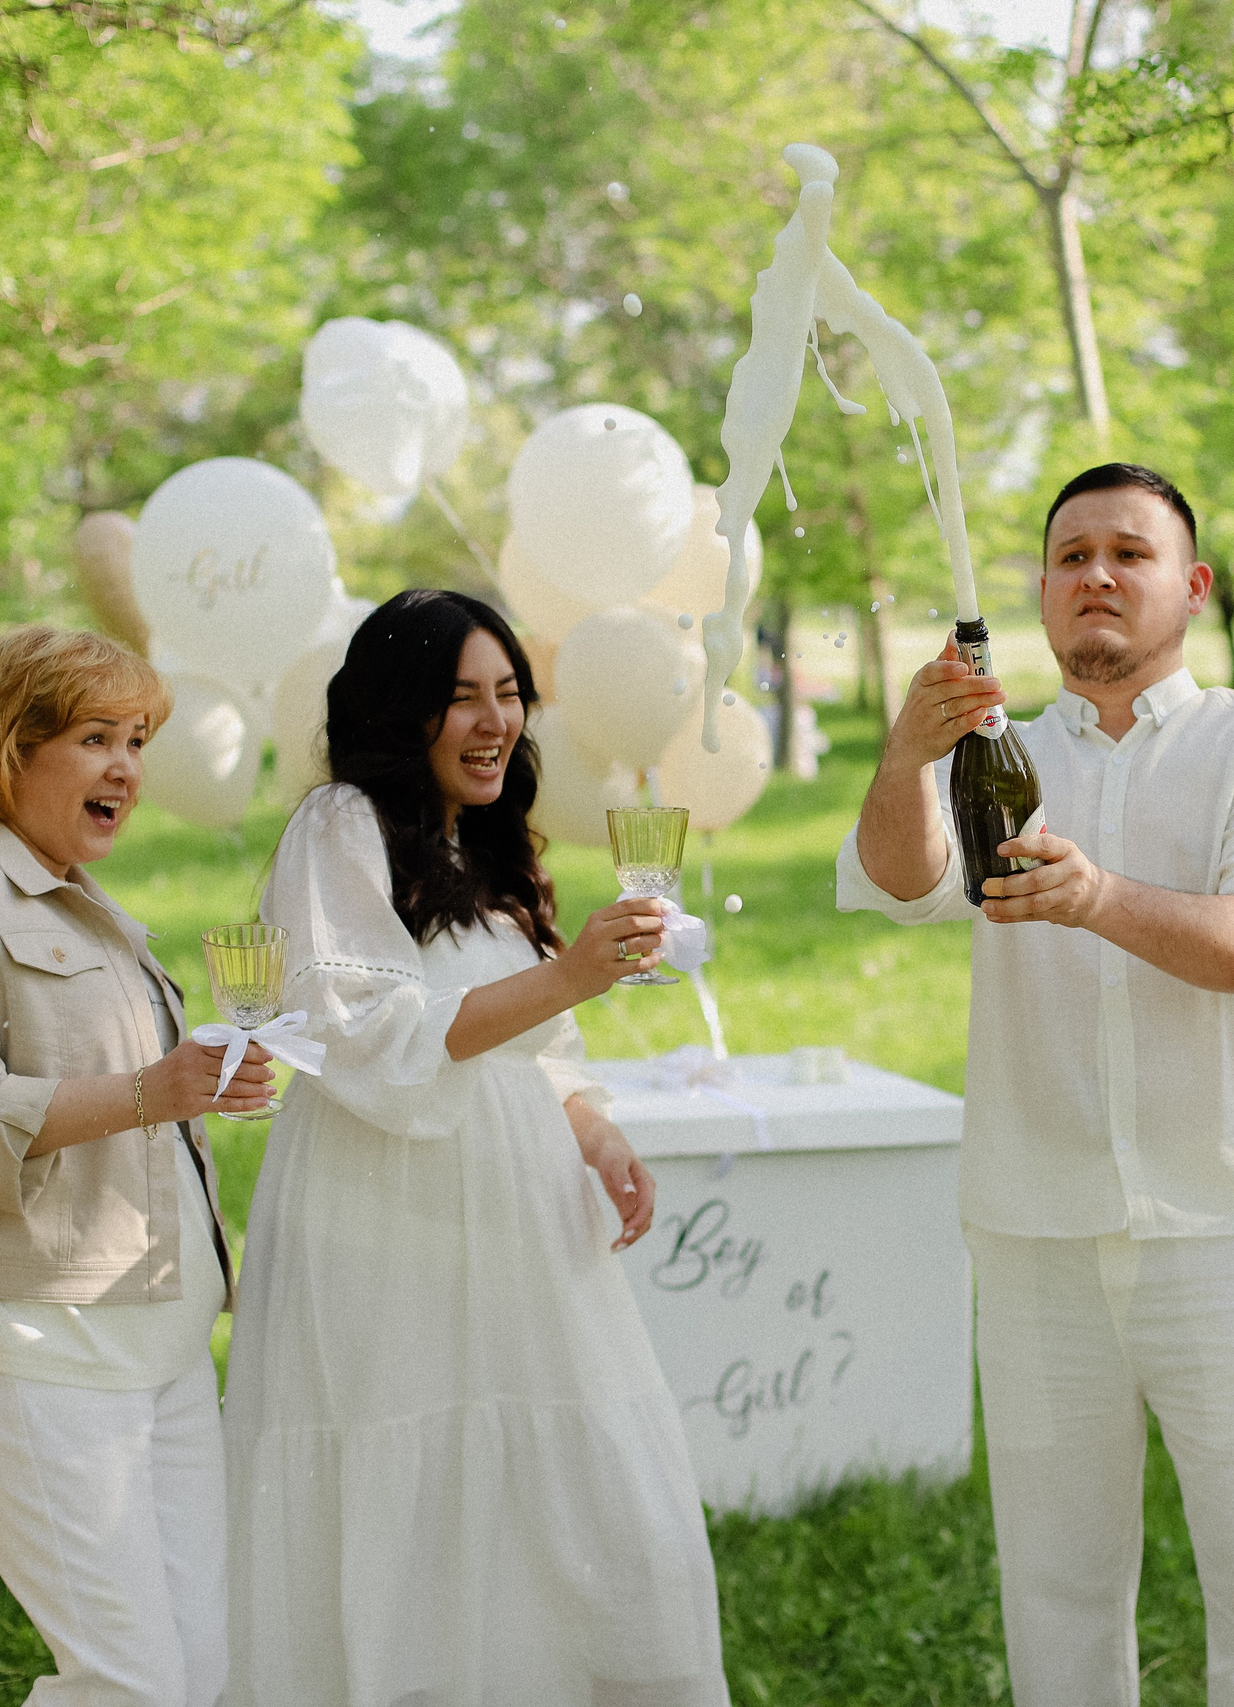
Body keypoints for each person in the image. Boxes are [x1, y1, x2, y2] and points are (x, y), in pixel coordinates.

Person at [838, 464, 1234, 1704]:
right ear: (1041, 593)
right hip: (1036, 1233)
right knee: (1057, 1604)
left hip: (1225, 1231)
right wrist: (908, 752)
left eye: (1129, 553)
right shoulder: (987, 752)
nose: (1097, 577)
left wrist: (1099, 896)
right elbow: (904, 883)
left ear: (1193, 586)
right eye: (1071, 558)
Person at [223, 589, 727, 1706]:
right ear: (400, 714)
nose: (493, 723)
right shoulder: (339, 828)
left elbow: (530, 1041)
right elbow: (373, 1037)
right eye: (461, 699)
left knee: (579, 1495)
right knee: (413, 1482)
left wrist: (592, 1131)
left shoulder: (481, 844)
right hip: (384, 1209)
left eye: (509, 696)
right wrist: (571, 971)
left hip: (513, 1212)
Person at [0, 625, 274, 1707]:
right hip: (37, 1339)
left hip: (158, 1336)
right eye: (97, 738)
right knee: (129, 1683)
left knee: (205, 1671)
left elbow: (124, 1104)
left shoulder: (91, 906)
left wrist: (196, 1090)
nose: (127, 768)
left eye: (136, 740)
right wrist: (150, 1091)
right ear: (10, 746)